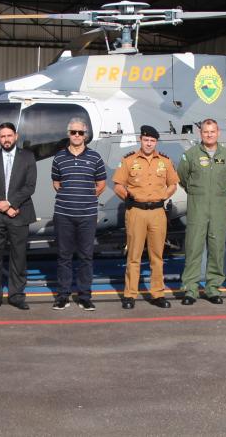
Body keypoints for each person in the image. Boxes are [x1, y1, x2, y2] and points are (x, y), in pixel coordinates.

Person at [113, 125, 178, 309]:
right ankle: (130, 295)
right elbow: (118, 184)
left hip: (157, 212)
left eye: (152, 141)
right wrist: (128, 197)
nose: (149, 144)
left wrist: (165, 195)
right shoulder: (129, 160)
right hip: (136, 212)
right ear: (141, 140)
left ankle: (158, 294)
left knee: (157, 255)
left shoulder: (164, 161)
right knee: (134, 255)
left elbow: (173, 183)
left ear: (156, 142)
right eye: (146, 140)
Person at [177, 118, 226, 305]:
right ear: (201, 133)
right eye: (206, 132)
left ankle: (213, 288)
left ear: (218, 132)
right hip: (197, 207)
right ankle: (190, 289)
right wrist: (197, 191)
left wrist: (217, 193)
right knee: (193, 247)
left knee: (216, 247)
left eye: (212, 131)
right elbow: (183, 176)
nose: (209, 134)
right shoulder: (191, 155)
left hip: (218, 209)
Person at [51, 117, 107, 311]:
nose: (76, 136)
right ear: (69, 134)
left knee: (86, 256)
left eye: (80, 133)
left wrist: (86, 197)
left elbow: (101, 184)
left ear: (86, 135)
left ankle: (84, 296)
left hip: (87, 215)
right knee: (64, 256)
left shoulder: (95, 157)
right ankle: (63, 296)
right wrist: (70, 195)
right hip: (64, 214)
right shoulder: (59, 157)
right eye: (73, 132)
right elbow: (56, 183)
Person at [0, 122, 37, 311]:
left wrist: (11, 203)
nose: (6, 139)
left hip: (19, 214)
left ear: (16, 136)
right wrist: (5, 207)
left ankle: (16, 295)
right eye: (2, 136)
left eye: (9, 135)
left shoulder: (28, 157)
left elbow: (30, 186)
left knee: (18, 257)